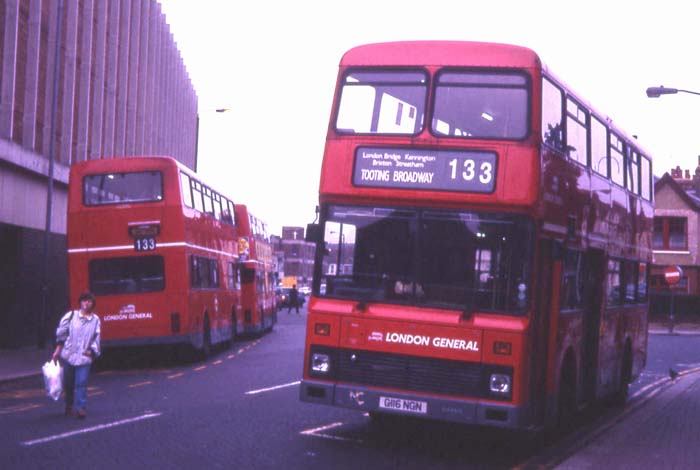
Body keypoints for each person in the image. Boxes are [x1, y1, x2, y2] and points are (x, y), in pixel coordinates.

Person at [51, 291, 101, 419]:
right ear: (80, 302)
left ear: (92, 304)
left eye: (89, 301)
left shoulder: (95, 320)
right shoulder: (71, 316)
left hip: (84, 357)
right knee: (69, 384)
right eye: (84, 300)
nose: (86, 303)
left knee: (81, 383)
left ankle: (80, 408)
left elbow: (96, 337)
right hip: (69, 355)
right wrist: (57, 351)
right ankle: (68, 405)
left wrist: (93, 351)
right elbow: (61, 334)